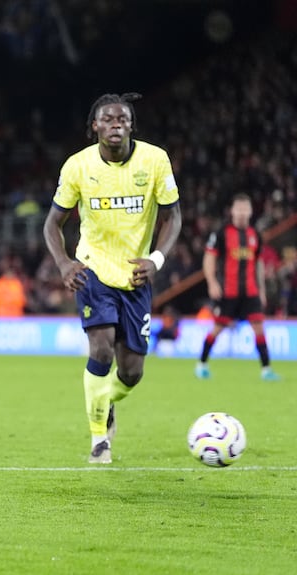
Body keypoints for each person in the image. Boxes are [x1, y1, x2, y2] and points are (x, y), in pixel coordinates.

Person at [42, 93, 182, 464]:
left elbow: (173, 217)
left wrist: (157, 259)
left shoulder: (155, 161)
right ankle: (98, 440)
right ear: (95, 127)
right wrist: (63, 264)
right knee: (101, 350)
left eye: (122, 119)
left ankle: (105, 402)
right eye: (107, 119)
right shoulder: (77, 166)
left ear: (131, 126)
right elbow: (52, 223)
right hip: (93, 270)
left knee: (132, 372)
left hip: (136, 275)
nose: (115, 124)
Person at [195, 193, 280, 381]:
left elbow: (258, 263)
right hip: (229, 291)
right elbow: (209, 258)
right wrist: (212, 282)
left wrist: (262, 290)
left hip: (250, 291)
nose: (242, 212)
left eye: (245, 208)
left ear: (250, 211)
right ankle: (201, 364)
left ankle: (266, 369)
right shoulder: (221, 234)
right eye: (239, 208)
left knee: (259, 327)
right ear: (232, 211)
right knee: (217, 328)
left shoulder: (255, 234)